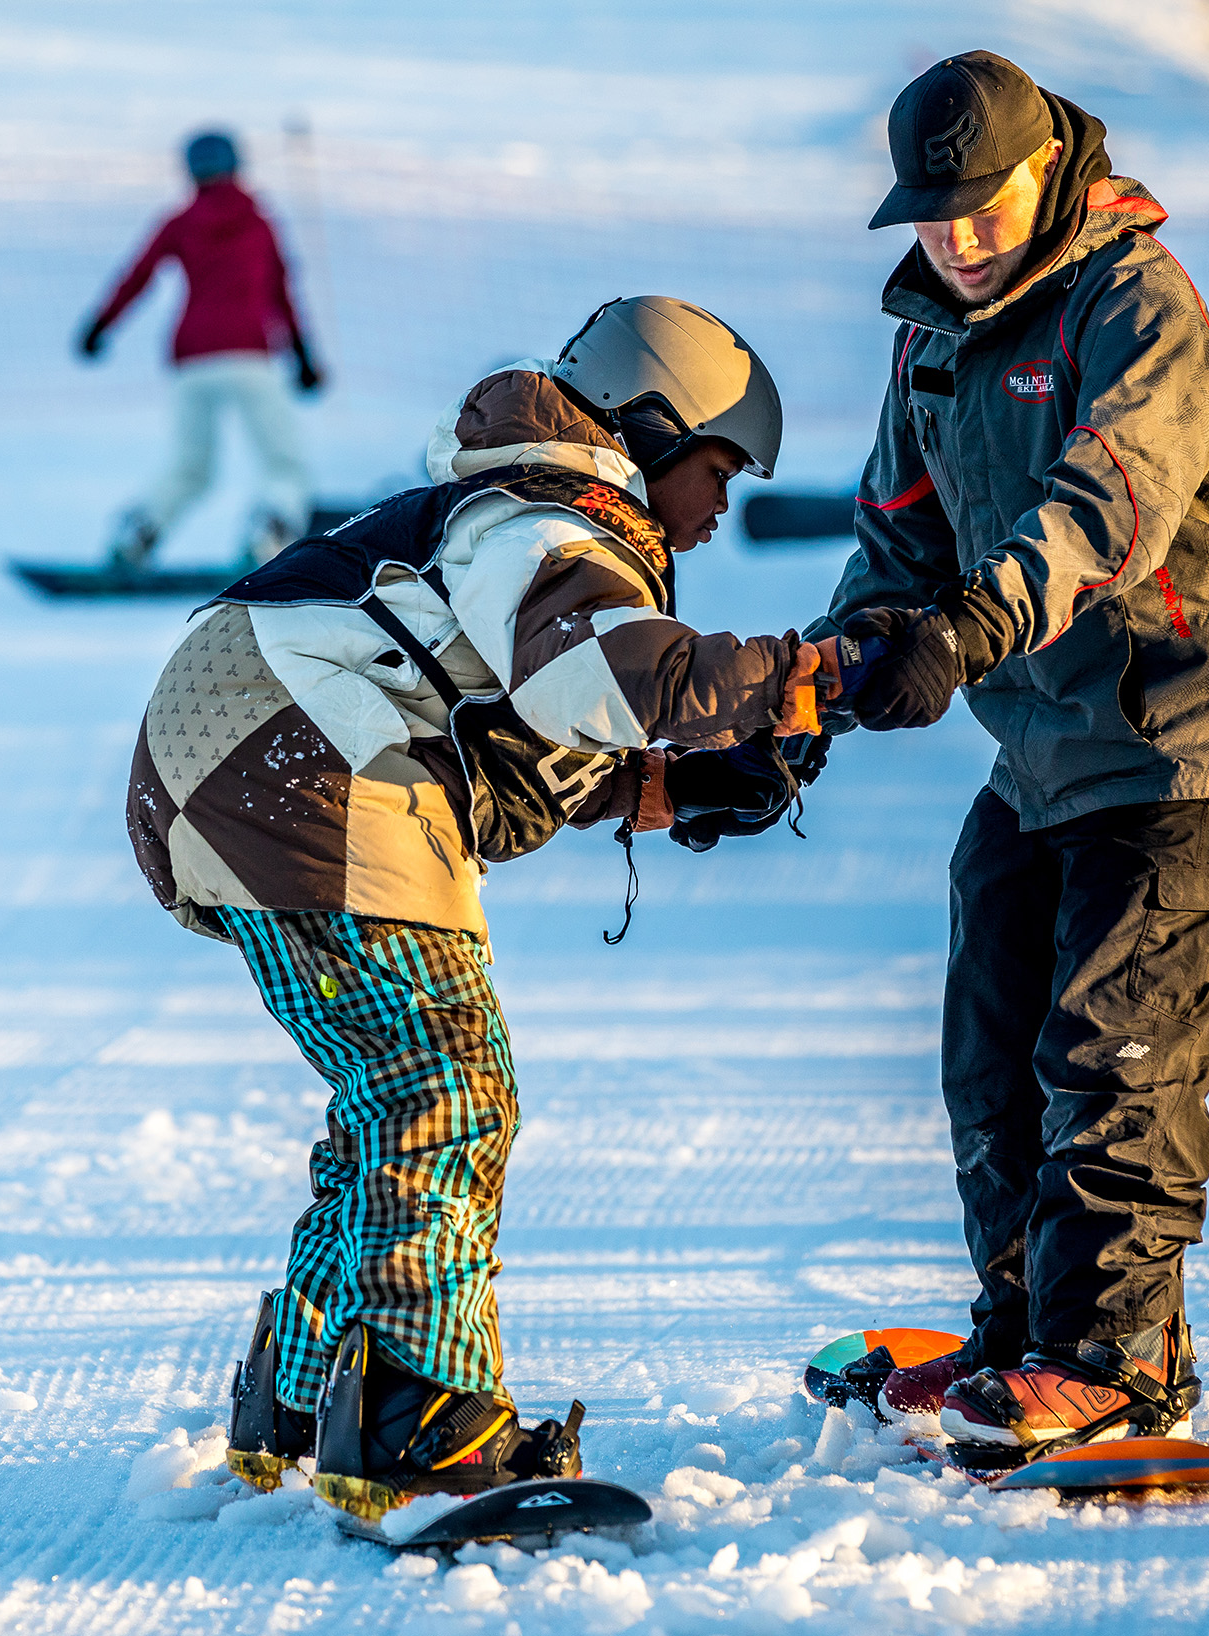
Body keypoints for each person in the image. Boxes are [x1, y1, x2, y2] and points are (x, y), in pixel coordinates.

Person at [125, 297, 822, 1513]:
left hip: (249, 746)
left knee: (392, 1089)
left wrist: (675, 784)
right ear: (651, 430)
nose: (719, 512)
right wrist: (796, 674)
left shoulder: (516, 515)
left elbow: (520, 728)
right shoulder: (547, 513)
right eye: (716, 469)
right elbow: (597, 677)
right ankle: (420, 1420)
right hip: (296, 750)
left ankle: (302, 1395)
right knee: (441, 1083)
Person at [811, 52, 1209, 1461]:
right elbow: (896, 543)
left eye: (984, 203)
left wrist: (967, 626)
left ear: (1053, 173)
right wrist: (806, 706)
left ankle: (1116, 1359)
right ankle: (1024, 1336)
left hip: (1187, 734)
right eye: (931, 212)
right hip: (1039, 741)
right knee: (988, 1055)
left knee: (1116, 1051)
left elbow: (1111, 505)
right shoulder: (929, 337)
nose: (958, 237)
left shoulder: (1133, 303)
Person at [78, 129, 321, 572]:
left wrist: (99, 326)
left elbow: (138, 276)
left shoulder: (179, 221)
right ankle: (268, 536)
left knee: (190, 467)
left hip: (191, 359)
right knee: (283, 463)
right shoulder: (260, 221)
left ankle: (136, 536)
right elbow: (282, 293)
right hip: (250, 355)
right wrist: (304, 358)